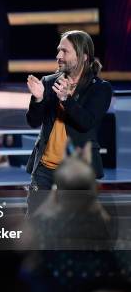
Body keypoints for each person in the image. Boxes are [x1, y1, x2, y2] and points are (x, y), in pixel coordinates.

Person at [25, 30, 112, 214]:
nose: (58, 56)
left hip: (76, 173)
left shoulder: (100, 88)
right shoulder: (48, 82)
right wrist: (39, 99)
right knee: (35, 229)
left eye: (65, 51)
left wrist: (66, 99)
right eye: (58, 51)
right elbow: (33, 121)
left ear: (83, 56)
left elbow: (86, 122)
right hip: (44, 170)